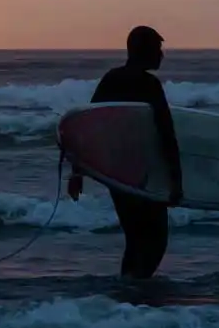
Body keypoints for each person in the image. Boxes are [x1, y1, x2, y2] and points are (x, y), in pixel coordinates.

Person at [67, 26, 184, 279]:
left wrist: (77, 173)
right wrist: (176, 181)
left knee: (135, 238)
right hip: (142, 173)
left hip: (117, 174)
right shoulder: (149, 84)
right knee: (156, 240)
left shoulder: (111, 79)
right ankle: (135, 291)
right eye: (158, 49)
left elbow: (88, 127)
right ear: (146, 52)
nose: (162, 55)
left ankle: (128, 291)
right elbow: (166, 134)